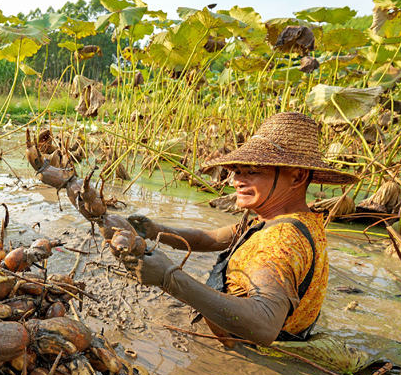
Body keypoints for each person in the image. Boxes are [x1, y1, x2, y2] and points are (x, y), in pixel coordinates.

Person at [126, 112, 358, 346]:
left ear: (297, 176)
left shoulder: (281, 240)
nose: (237, 180)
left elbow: (265, 324)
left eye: (253, 171)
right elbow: (212, 238)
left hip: (250, 354)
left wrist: (169, 278)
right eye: (237, 171)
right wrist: (156, 230)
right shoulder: (281, 220)